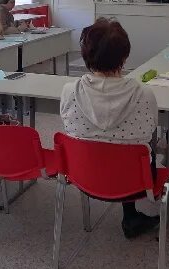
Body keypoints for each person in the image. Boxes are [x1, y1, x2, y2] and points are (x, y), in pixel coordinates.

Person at [60, 18, 160, 239]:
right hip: (137, 181)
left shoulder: (69, 91)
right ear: (124, 57)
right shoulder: (144, 94)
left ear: (85, 54)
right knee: (131, 147)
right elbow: (151, 130)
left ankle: (131, 215)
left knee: (107, 145)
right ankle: (133, 216)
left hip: (84, 174)